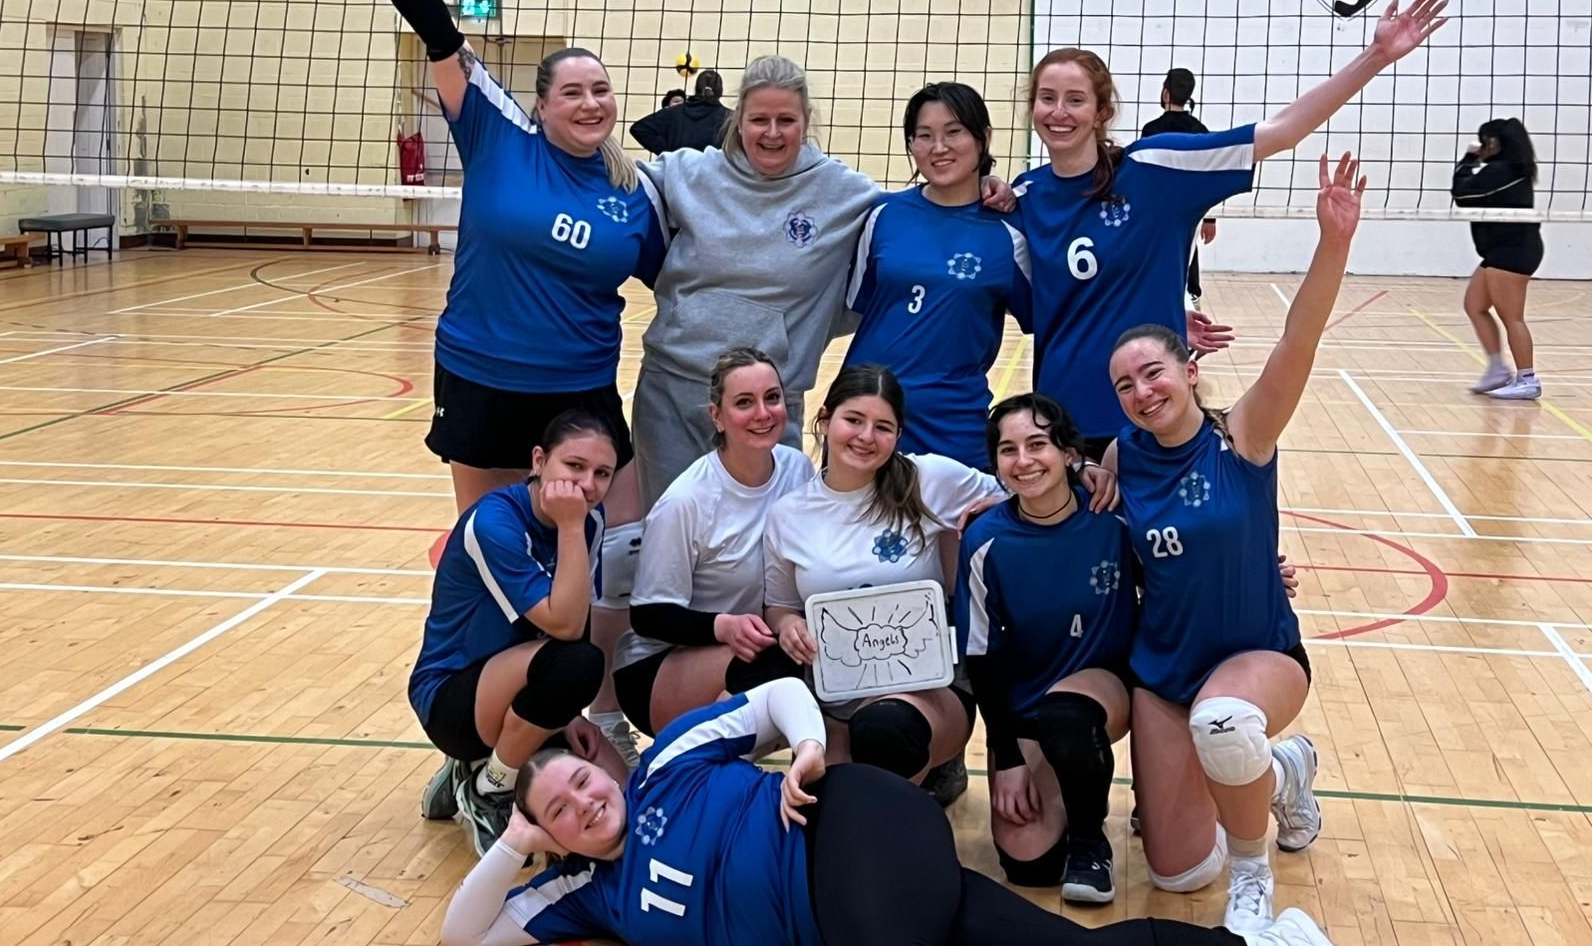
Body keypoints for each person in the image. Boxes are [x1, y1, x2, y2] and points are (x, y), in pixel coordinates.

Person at [328, 0, 661, 775]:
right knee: (488, 560)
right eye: (573, 92)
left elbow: (689, 276)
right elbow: (434, 25)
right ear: (545, 103)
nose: (591, 103)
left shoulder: (637, 195)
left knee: (607, 552)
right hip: (483, 378)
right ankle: (480, 732)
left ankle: (597, 708)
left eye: (602, 91)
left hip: (583, 394)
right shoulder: (496, 137)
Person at [438, 678, 1338, 946]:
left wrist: (810, 747)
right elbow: (460, 941)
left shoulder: (665, 768)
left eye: (582, 783)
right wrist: (511, 840)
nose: (586, 803)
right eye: (560, 811)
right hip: (868, 916)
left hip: (850, 826)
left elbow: (780, 695)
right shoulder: (582, 894)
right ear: (550, 837)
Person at [1103, 152, 1371, 933]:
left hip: (1256, 656)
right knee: (1180, 872)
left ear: (1190, 369)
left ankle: (1255, 880)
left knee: (1224, 725)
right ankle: (1282, 772)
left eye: (1153, 374)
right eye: (1125, 385)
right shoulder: (1120, 458)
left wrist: (1334, 242)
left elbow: (1299, 342)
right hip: (1164, 667)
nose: (1142, 392)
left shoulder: (1242, 436)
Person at [1014, 0, 1448, 459]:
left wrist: (1377, 55)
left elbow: (1283, 130)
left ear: (1101, 112)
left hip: (1149, 421)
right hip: (1060, 427)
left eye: (1075, 99)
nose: (1059, 112)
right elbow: (1051, 299)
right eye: (1047, 98)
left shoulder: (1156, 169)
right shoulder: (1023, 195)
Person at [632, 56, 1014, 511]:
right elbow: (614, 181)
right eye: (759, 120)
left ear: (805, 122)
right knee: (671, 528)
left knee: (773, 547)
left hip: (771, 403)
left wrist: (982, 181)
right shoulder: (686, 174)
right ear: (738, 120)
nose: (772, 133)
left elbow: (924, 206)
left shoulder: (844, 193)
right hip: (673, 391)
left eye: (786, 120)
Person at [762, 365, 1111, 796]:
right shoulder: (788, 514)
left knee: (883, 737)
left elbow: (1027, 482)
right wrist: (787, 625)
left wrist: (1083, 470)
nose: (866, 436)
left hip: (924, 692)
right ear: (825, 419)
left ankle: (919, 811)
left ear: (899, 435)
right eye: (854, 420)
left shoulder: (928, 479)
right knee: (830, 806)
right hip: (834, 696)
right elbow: (778, 604)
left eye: (883, 427)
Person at [408, 410, 632, 857]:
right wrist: (570, 526)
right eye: (574, 466)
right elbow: (565, 629)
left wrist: (570, 716)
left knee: (622, 790)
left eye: (601, 473)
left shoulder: (592, 521)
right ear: (538, 461)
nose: (586, 485)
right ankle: (490, 787)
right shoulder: (494, 523)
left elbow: (574, 620)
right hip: (452, 696)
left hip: (525, 681)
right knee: (579, 663)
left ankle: (472, 769)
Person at [955, 392, 1134, 903]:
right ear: (996, 466)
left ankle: (1089, 841)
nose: (1024, 461)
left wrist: (1264, 570)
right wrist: (1006, 755)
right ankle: (1059, 778)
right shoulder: (985, 540)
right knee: (1029, 867)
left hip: (1104, 690)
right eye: (1008, 451)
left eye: (1038, 444)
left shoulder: (1113, 519)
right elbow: (980, 656)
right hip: (1024, 706)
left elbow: (1188, 560)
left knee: (1068, 719)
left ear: (1070, 453)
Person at [612, 347, 812, 738]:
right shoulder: (687, 500)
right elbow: (649, 616)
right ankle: (685, 771)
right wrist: (722, 627)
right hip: (659, 666)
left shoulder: (797, 469)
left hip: (752, 652)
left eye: (772, 398)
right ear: (716, 416)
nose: (763, 413)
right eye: (744, 403)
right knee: (779, 669)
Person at [843, 82, 1033, 467]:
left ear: (984, 138)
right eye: (924, 136)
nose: (939, 147)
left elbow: (1054, 318)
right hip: (865, 418)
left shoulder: (1011, 233)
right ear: (911, 145)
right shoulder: (882, 214)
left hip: (953, 428)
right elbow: (859, 308)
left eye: (954, 132)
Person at [1452, 117, 1544, 400]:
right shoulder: (1508, 169)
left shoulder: (1503, 170)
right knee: (1475, 304)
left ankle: (1527, 379)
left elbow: (1462, 193)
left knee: (1511, 317)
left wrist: (1468, 158)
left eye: (1483, 141)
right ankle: (1497, 369)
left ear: (1492, 143)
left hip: (1512, 251)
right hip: (1501, 249)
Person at [1140, 68, 1215, 311]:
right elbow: (1208, 178)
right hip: (1189, 208)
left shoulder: (1151, 130)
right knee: (1187, 253)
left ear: (1165, 93)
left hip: (1156, 207)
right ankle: (1193, 301)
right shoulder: (1200, 130)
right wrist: (1210, 217)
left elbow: (1142, 174)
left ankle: (1154, 306)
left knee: (1154, 257)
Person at [630, 70, 731, 155]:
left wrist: (668, 153)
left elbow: (639, 128)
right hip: (715, 176)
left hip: (676, 175)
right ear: (720, 91)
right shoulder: (730, 118)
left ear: (696, 89)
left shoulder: (673, 113)